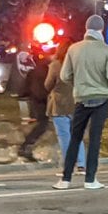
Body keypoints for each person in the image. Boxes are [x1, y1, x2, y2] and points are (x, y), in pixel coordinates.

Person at [53, 15, 108, 190]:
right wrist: (105, 84)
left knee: (75, 138)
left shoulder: (74, 49)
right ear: (101, 30)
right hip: (102, 98)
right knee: (95, 139)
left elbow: (64, 76)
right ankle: (90, 179)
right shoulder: (107, 50)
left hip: (81, 98)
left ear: (86, 28)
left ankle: (65, 179)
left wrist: (80, 82)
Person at [44, 40, 84, 176]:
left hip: (60, 104)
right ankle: (81, 164)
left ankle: (68, 166)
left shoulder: (56, 65)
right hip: (77, 102)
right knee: (77, 134)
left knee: (64, 136)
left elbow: (48, 84)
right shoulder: (80, 65)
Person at [17, 54, 51, 160]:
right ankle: (26, 146)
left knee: (43, 124)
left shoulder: (37, 69)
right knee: (43, 124)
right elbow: (38, 89)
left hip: (36, 100)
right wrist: (45, 98)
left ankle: (27, 145)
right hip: (40, 101)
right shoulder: (43, 70)